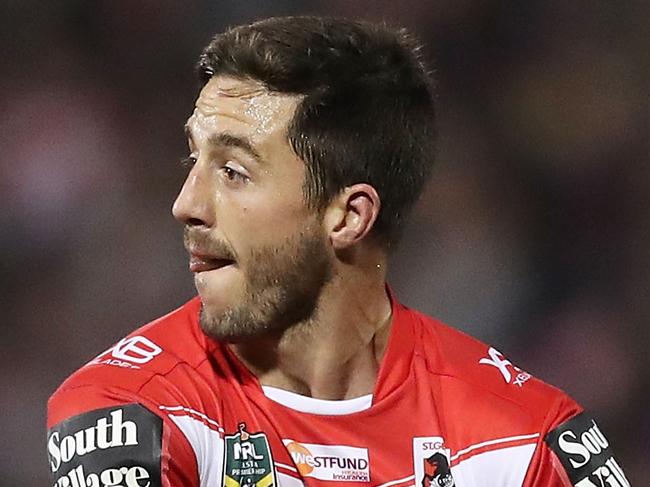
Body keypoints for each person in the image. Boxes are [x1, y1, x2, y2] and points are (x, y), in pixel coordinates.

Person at [47, 16, 630, 487]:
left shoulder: (525, 441)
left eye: (233, 171)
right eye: (191, 159)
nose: (185, 204)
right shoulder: (130, 412)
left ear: (349, 217)